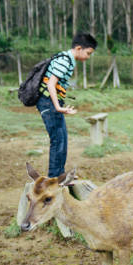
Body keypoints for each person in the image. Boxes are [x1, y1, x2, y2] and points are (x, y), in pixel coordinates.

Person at [37, 33, 97, 178]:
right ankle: (54, 177)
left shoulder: (68, 60)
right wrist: (58, 107)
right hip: (47, 101)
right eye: (88, 53)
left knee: (62, 137)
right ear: (78, 48)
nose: (88, 57)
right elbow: (51, 84)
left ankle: (60, 174)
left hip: (51, 102)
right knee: (58, 139)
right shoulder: (64, 60)